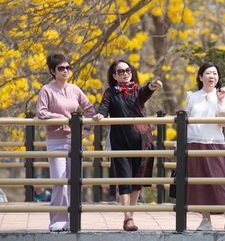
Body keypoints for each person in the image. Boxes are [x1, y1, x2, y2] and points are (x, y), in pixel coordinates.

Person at [36, 53, 103, 232]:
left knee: (74, 180)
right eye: (61, 68)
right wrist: (63, 118)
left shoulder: (75, 89)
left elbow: (89, 109)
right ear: (52, 71)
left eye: (68, 67)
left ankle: (74, 219)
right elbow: (41, 113)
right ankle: (57, 220)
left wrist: (87, 130)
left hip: (74, 141)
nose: (65, 71)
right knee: (59, 180)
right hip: (56, 141)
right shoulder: (46, 90)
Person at [98, 60, 163, 231]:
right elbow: (103, 108)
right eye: (120, 72)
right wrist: (99, 115)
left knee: (136, 181)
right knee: (124, 180)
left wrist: (153, 85)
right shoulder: (110, 92)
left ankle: (131, 216)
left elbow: (146, 90)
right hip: (120, 142)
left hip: (142, 141)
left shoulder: (137, 89)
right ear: (114, 76)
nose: (125, 74)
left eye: (127, 70)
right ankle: (127, 218)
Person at [185, 62, 225, 232]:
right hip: (195, 143)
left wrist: (220, 102)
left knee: (222, 182)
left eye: (215, 74)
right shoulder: (192, 96)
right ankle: (205, 220)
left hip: (215, 143)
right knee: (200, 183)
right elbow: (185, 119)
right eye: (208, 73)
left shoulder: (224, 97)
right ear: (200, 76)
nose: (212, 76)